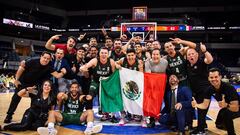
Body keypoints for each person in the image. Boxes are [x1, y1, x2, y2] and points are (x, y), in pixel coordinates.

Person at [4, 51, 67, 123]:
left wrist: (63, 72)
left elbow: (57, 75)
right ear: (41, 57)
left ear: (50, 59)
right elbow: (21, 68)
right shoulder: (32, 61)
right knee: (16, 97)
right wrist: (16, 80)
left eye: (48, 59)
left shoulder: (49, 66)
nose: (46, 60)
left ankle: (32, 116)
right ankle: (9, 116)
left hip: (34, 86)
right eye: (44, 58)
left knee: (35, 99)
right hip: (23, 83)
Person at [37, 81, 102, 135]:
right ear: (70, 89)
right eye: (72, 87)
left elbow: (83, 98)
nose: (74, 89)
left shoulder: (80, 96)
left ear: (78, 89)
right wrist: (60, 95)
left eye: (76, 87)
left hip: (78, 117)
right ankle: (50, 130)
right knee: (52, 112)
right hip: (66, 116)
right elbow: (62, 96)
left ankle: (89, 129)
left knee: (90, 111)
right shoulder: (67, 95)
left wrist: (87, 97)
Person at [192, 68, 240, 135]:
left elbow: (236, 108)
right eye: (211, 77)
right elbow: (205, 105)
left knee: (226, 114)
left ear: (220, 77)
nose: (214, 79)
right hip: (226, 108)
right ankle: (228, 125)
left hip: (236, 108)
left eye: (216, 77)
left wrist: (226, 105)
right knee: (218, 124)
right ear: (208, 78)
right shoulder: (209, 89)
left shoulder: (229, 88)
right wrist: (196, 105)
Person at [186, 43, 213, 134]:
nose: (191, 56)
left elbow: (209, 60)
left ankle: (201, 130)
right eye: (189, 54)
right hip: (196, 92)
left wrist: (204, 51)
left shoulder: (201, 62)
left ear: (197, 54)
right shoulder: (188, 65)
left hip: (205, 91)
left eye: (192, 53)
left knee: (201, 111)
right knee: (200, 111)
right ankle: (203, 126)